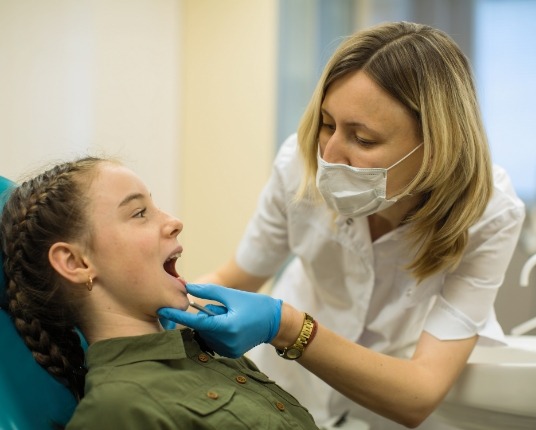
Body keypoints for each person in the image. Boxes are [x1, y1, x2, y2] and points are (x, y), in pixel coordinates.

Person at [157, 21, 526, 429]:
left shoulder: (491, 213)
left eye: (363, 139)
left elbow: (419, 394)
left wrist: (288, 327)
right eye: (328, 124)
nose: (330, 154)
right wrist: (156, 312)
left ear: (437, 145)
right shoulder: (298, 166)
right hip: (287, 392)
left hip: (387, 402)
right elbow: (238, 276)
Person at [0, 157, 319, 429]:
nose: (174, 222)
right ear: (76, 262)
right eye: (139, 213)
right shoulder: (116, 410)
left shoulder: (201, 352)